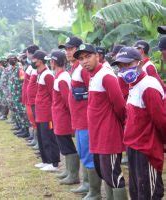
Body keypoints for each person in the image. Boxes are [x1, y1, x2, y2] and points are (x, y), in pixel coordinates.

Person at [74, 43, 128, 200]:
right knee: (104, 172)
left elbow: (120, 106)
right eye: (81, 58)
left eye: (88, 56)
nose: (85, 61)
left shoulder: (107, 76)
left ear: (97, 56)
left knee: (113, 174)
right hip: (97, 134)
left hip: (108, 135)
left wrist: (114, 127)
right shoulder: (93, 75)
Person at [112, 47, 166, 200]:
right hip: (133, 146)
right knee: (136, 190)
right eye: (120, 66)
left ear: (140, 63)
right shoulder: (133, 85)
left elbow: (161, 120)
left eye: (128, 64)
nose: (123, 69)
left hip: (146, 149)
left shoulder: (148, 86)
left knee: (149, 192)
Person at [61, 36, 93, 195]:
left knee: (88, 154)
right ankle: (87, 184)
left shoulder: (82, 69)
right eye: (66, 49)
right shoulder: (74, 68)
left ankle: (91, 188)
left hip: (86, 120)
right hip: (78, 119)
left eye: (71, 48)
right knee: (82, 152)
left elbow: (92, 92)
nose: (67, 52)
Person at [49, 50, 80, 185]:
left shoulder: (62, 78)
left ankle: (73, 175)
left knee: (67, 145)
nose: (50, 63)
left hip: (63, 118)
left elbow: (68, 101)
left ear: (54, 62)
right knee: (63, 144)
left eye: (50, 61)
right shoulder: (60, 76)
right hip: (59, 116)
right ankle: (68, 171)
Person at [32, 50, 60, 172]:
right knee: (42, 137)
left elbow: (52, 94)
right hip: (40, 112)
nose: (32, 62)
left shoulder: (48, 75)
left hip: (47, 113)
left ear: (40, 60)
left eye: (34, 59)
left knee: (49, 137)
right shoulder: (40, 73)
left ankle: (53, 162)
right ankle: (45, 160)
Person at [9, 55, 30, 138]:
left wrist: (22, 94)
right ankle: (21, 128)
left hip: (19, 94)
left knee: (22, 112)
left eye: (12, 59)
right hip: (15, 94)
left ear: (16, 60)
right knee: (18, 112)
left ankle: (26, 130)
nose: (10, 61)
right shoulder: (13, 68)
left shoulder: (19, 68)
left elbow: (22, 81)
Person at [26, 45, 40, 149]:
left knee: (36, 121)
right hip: (30, 99)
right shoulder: (32, 67)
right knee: (32, 120)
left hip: (35, 101)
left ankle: (38, 141)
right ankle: (35, 139)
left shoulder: (41, 71)